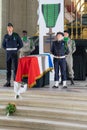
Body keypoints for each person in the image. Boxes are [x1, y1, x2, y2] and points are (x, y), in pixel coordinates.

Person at [2, 23, 23, 87]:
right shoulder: (5, 36)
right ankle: (8, 82)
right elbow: (3, 45)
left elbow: (21, 44)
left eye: (10, 27)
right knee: (8, 68)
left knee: (15, 68)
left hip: (14, 54)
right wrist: (7, 50)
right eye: (8, 28)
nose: (9, 29)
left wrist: (16, 50)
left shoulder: (16, 35)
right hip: (8, 54)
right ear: (7, 29)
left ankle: (16, 82)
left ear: (12, 28)